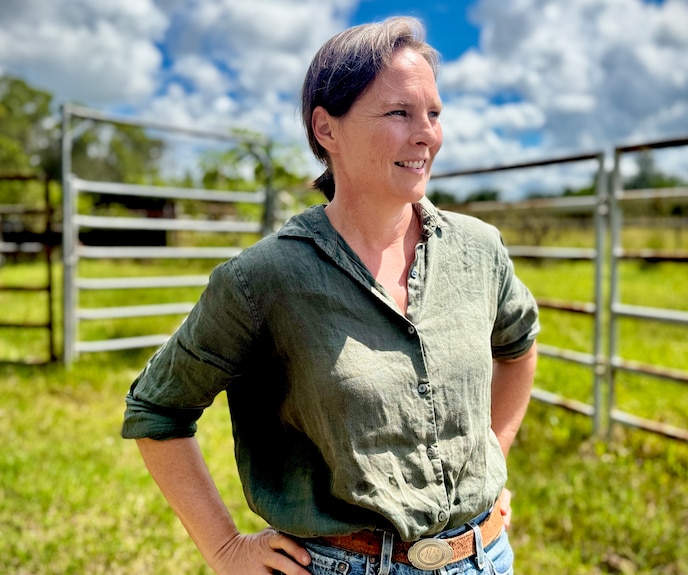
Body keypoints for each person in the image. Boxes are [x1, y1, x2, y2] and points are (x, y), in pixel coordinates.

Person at [122, 16, 539, 575]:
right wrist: (224, 548)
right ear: (327, 129)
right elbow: (157, 409)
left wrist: (494, 458)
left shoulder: (479, 250)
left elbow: (518, 344)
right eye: (399, 113)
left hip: (485, 559)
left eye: (434, 113)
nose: (427, 134)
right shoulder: (265, 279)